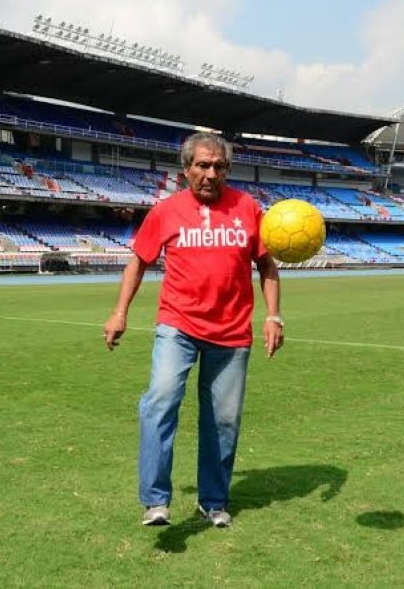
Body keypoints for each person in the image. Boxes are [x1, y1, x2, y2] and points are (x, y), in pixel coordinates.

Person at [103, 132, 283, 528]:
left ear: (228, 171)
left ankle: (213, 501)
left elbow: (267, 265)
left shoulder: (249, 208)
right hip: (178, 324)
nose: (211, 173)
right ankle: (155, 501)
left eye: (219, 166)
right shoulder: (166, 211)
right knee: (160, 401)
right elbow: (138, 262)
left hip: (232, 332)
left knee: (223, 419)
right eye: (202, 165)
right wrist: (120, 313)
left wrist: (273, 315)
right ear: (186, 170)